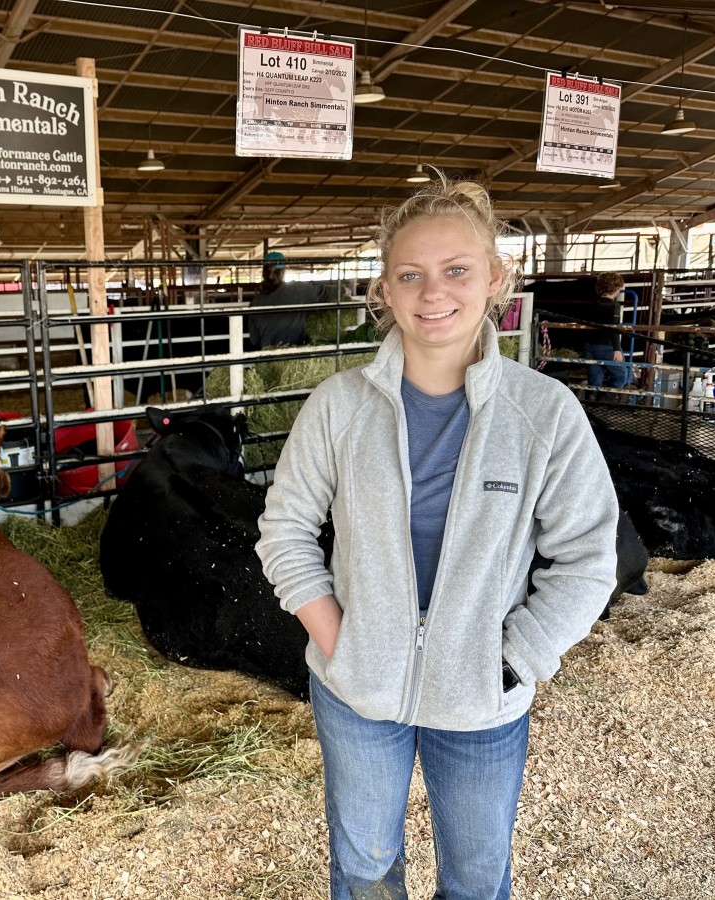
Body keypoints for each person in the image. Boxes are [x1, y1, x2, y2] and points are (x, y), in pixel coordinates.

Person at [255, 173, 619, 899]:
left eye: (457, 270)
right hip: (356, 690)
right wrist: (339, 640)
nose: (433, 293)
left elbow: (588, 556)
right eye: (410, 275)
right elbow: (285, 529)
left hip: (484, 696)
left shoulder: (543, 413)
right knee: (363, 868)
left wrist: (516, 659)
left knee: (478, 878)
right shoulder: (336, 407)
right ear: (383, 290)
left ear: (495, 279)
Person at [248, 251, 335, 348]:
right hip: (295, 354)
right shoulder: (298, 290)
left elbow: (254, 339)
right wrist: (343, 290)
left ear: (264, 272)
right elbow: (324, 293)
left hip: (269, 357)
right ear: (283, 271)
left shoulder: (255, 303)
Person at [580, 272, 631, 392]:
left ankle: (592, 403)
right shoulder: (614, 306)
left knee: (594, 379)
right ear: (616, 288)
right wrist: (617, 349)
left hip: (589, 345)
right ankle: (608, 401)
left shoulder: (591, 305)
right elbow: (613, 327)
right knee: (620, 376)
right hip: (607, 346)